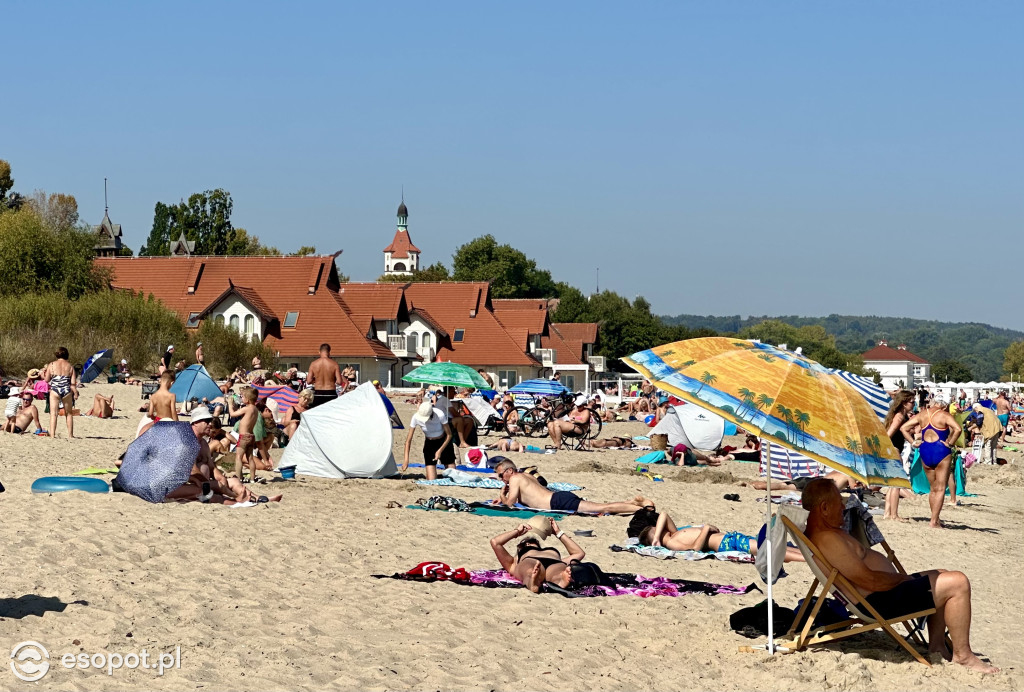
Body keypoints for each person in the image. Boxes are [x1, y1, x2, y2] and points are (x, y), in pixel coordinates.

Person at [801, 478, 998, 673]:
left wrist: (904, 580)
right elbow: (867, 580)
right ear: (824, 508)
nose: (844, 506)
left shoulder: (826, 534)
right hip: (879, 602)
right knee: (958, 582)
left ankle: (937, 645)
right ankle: (963, 655)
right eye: (839, 502)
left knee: (942, 575)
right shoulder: (828, 539)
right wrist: (903, 579)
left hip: (882, 594)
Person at [163, 408, 281, 504]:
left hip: (201, 482)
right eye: (206, 421)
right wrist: (222, 488)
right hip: (180, 484)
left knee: (233, 481)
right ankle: (236, 501)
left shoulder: (203, 443)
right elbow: (192, 471)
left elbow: (211, 466)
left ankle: (256, 497)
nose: (210, 424)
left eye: (210, 421)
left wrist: (220, 478)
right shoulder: (187, 442)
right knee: (209, 493)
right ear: (195, 423)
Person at [628, 505, 804, 562]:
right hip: (728, 544)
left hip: (731, 538)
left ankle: (808, 554)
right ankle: (809, 558)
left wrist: (657, 535)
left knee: (772, 546)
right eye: (656, 529)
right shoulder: (672, 543)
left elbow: (664, 514)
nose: (659, 526)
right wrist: (705, 529)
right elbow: (695, 549)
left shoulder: (674, 533)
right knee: (771, 549)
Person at [493, 458, 648, 515]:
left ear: (510, 471)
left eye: (501, 475)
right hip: (558, 497)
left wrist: (502, 494)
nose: (501, 479)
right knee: (601, 506)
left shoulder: (514, 478)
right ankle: (630, 503)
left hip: (556, 502)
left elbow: (510, 504)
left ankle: (641, 510)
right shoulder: (524, 475)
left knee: (603, 508)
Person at [901, 397, 962, 528]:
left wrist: (913, 442)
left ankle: (935, 518)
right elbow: (958, 429)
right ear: (943, 406)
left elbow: (903, 428)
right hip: (940, 449)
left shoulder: (922, 414)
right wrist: (950, 443)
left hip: (925, 449)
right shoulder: (944, 415)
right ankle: (934, 521)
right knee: (940, 488)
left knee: (933, 488)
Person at [489, 519, 585, 593]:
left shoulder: (517, 560)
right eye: (527, 542)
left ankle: (559, 581)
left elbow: (579, 553)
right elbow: (495, 542)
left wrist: (558, 532)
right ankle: (532, 581)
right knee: (530, 571)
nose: (529, 543)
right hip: (539, 561)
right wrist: (517, 532)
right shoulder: (514, 561)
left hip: (554, 562)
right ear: (521, 546)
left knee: (555, 574)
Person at [883, 390, 916, 521]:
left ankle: (887, 513)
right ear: (904, 403)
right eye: (912, 402)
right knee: (897, 483)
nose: (913, 404)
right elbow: (888, 435)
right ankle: (894, 515)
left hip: (893, 449)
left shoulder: (899, 415)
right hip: (894, 449)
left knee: (892, 484)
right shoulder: (899, 417)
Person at [401, 401, 454, 480]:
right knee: (431, 479)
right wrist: (406, 460)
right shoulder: (415, 417)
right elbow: (408, 441)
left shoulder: (439, 414)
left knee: (453, 476)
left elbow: (449, 435)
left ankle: (443, 473)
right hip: (430, 443)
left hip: (443, 441)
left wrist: (439, 451)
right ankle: (437, 475)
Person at [228, 387, 261, 482]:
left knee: (238, 457)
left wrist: (230, 405)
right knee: (250, 457)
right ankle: (252, 478)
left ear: (247, 399)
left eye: (242, 396)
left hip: (243, 437)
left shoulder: (247, 409)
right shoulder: (255, 409)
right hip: (251, 436)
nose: (241, 398)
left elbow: (233, 414)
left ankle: (239, 478)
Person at [45, 346, 78, 439]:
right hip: (66, 390)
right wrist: (75, 393)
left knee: (53, 413)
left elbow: (47, 380)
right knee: (69, 413)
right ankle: (70, 435)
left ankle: (52, 435)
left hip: (55, 389)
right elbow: (72, 383)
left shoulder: (51, 365)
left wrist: (44, 374)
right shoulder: (70, 366)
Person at [307, 344, 342, 408]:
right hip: (330, 393)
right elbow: (339, 382)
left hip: (318, 392)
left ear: (319, 352)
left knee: (318, 415)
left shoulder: (313, 364)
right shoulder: (334, 364)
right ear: (329, 352)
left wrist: (316, 379)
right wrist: (332, 379)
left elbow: (308, 381)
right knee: (331, 415)